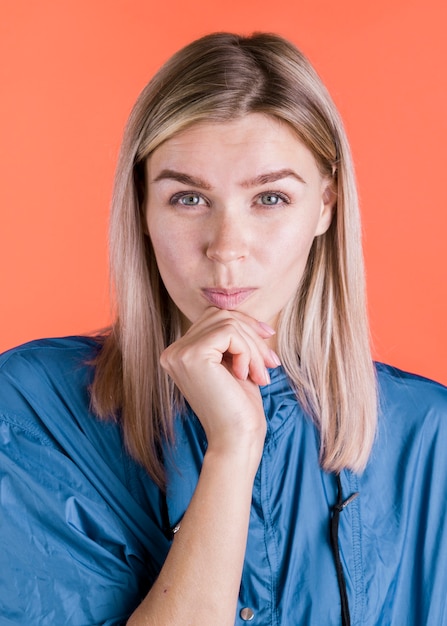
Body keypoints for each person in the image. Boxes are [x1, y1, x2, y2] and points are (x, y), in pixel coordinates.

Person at [0, 32, 446, 626]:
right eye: (188, 198)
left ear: (326, 205)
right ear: (142, 210)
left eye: (270, 197)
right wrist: (232, 452)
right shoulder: (35, 409)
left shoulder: (431, 439)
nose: (226, 248)